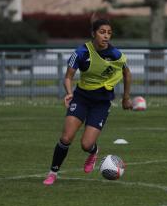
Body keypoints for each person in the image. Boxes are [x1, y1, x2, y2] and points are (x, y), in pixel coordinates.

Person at [43, 18, 132, 185]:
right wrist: (69, 93)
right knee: (66, 138)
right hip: (81, 98)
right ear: (93, 34)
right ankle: (52, 173)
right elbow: (68, 77)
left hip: (101, 103)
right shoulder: (81, 52)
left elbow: (127, 73)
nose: (106, 36)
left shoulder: (115, 55)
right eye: (102, 32)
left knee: (86, 144)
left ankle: (94, 151)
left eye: (109, 33)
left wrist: (126, 98)